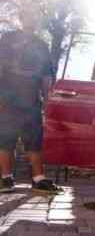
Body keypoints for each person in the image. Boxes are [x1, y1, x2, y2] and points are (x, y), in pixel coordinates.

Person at [0, 14, 61, 193]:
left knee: (34, 138)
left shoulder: (41, 45)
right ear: (22, 18)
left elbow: (46, 75)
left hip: (31, 99)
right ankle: (5, 178)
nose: (31, 19)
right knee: (5, 138)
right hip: (7, 97)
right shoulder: (7, 40)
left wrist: (47, 100)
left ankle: (38, 179)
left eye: (34, 16)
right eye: (28, 14)